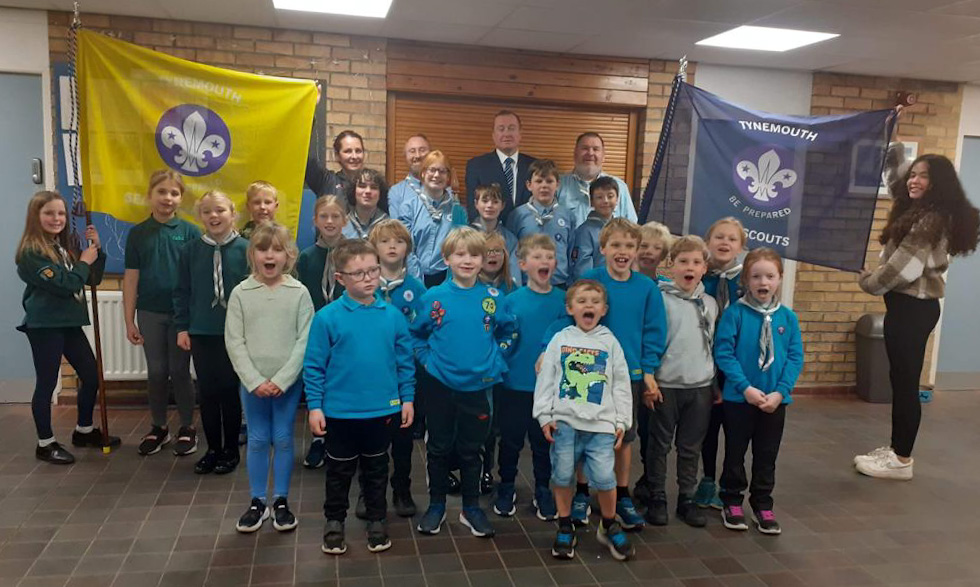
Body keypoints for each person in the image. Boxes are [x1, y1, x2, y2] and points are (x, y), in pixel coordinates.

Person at [855, 148, 980, 480]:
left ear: (937, 183)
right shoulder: (921, 209)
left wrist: (868, 281)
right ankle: (898, 449)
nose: (914, 180)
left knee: (906, 384)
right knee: (901, 380)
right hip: (909, 309)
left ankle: (901, 460)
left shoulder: (930, 219)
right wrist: (891, 133)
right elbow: (895, 177)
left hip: (912, 309)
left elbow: (901, 270)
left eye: (923, 175)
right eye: (913, 174)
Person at [304, 240, 415, 555]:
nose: (368, 278)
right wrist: (315, 407)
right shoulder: (327, 318)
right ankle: (334, 522)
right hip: (340, 412)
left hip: (382, 409)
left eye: (373, 270)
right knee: (338, 472)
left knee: (377, 470)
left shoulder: (392, 316)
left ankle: (377, 521)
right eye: (358, 274)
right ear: (340, 278)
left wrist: (407, 399)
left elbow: (405, 362)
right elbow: (313, 366)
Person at [412, 228, 518, 539]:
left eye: (474, 254)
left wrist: (495, 361)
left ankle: (471, 508)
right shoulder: (432, 298)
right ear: (446, 259)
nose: (467, 260)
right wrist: (428, 361)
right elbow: (415, 334)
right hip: (440, 385)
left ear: (484, 259)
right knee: (439, 448)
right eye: (459, 254)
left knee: (473, 451)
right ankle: (436, 505)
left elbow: (509, 332)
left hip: (479, 386)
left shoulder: (493, 298)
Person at [574, 218, 667, 530]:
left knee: (624, 437)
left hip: (630, 375)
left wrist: (649, 371)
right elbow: (571, 321)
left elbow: (654, 333)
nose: (622, 251)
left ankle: (622, 494)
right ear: (603, 248)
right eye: (615, 245)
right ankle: (582, 492)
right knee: (586, 432)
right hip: (592, 371)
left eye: (629, 246)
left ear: (638, 250)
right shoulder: (591, 280)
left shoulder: (647, 288)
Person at [534, 280, 634, 561]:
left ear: (604, 309)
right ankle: (565, 525)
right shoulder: (561, 339)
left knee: (604, 478)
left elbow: (621, 384)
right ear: (570, 308)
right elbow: (547, 379)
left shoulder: (610, 342)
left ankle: (609, 523)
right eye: (582, 301)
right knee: (562, 475)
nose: (588, 305)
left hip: (601, 427)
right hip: (564, 425)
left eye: (594, 301)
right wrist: (544, 415)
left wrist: (622, 421)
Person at [16, 191, 118, 464]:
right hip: (46, 325)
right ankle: (45, 443)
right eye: (49, 213)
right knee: (48, 382)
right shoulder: (31, 253)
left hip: (69, 322)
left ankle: (84, 430)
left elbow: (91, 279)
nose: (57, 218)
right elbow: (67, 284)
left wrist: (97, 250)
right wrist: (84, 261)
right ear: (36, 217)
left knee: (91, 375)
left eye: (60, 213)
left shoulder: (62, 248)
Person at [225, 223, 314, 533]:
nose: (270, 255)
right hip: (253, 385)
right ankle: (257, 501)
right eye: (263, 249)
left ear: (288, 255)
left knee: (284, 438)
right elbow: (234, 341)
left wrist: (283, 378)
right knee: (259, 439)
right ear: (252, 255)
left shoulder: (298, 293)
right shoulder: (241, 293)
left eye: (277, 249)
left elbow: (305, 339)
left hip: (287, 384)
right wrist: (254, 380)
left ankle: (281, 501)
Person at [714, 248, 803, 535]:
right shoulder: (735, 314)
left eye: (769, 276)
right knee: (735, 452)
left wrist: (781, 392)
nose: (763, 282)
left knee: (767, 454)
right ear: (746, 279)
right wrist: (745, 388)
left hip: (774, 402)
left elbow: (794, 357)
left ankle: (763, 503)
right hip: (740, 399)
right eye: (756, 276)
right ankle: (732, 499)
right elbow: (724, 353)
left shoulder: (788, 318)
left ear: (779, 278)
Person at [123, 170, 201, 457]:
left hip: (182, 315)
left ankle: (187, 427)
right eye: (162, 192)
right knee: (156, 371)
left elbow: (198, 276)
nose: (167, 198)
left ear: (180, 198)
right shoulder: (138, 233)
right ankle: (158, 427)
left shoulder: (191, 232)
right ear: (150, 195)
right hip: (150, 313)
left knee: (180, 371)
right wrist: (128, 319)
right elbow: (131, 278)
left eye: (174, 193)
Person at [644, 236, 718, 528]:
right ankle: (657, 495)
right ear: (670, 266)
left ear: (704, 268)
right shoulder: (660, 300)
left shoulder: (709, 303)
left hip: (699, 386)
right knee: (659, 445)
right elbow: (651, 340)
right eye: (683, 261)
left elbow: (709, 345)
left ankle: (686, 496)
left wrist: (712, 382)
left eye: (696, 262)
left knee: (690, 447)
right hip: (665, 385)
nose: (690, 267)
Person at [174, 191, 249, 475]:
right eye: (207, 212)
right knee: (207, 392)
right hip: (201, 331)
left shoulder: (246, 249)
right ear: (200, 216)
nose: (214, 216)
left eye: (220, 210)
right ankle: (212, 449)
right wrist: (182, 327)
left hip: (234, 332)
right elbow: (181, 292)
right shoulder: (190, 251)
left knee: (229, 390)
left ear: (233, 213)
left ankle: (230, 449)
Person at [493, 234, 566, 521]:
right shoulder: (511, 301)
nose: (544, 261)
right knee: (510, 440)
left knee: (543, 442)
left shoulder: (565, 301)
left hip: (550, 388)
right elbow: (499, 338)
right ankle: (507, 485)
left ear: (556, 263)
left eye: (549, 257)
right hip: (514, 384)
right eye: (537, 257)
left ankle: (543, 489)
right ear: (523, 265)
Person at [368, 219, 426, 517]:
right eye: (385, 241)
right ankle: (370, 493)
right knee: (372, 439)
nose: (392, 246)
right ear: (374, 248)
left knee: (403, 439)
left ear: (408, 249)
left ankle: (402, 490)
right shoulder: (366, 285)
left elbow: (423, 329)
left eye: (399, 241)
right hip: (372, 374)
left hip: (404, 375)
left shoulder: (417, 288)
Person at [694, 217, 745, 509]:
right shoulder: (701, 279)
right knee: (708, 426)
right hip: (706, 363)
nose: (725, 243)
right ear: (708, 242)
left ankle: (731, 484)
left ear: (740, 246)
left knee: (735, 426)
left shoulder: (747, 280)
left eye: (732, 239)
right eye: (719, 237)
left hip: (738, 365)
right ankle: (708, 479)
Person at [296, 194, 348, 469]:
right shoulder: (305, 258)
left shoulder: (352, 254)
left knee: (341, 381)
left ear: (345, 220)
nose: (330, 221)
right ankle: (318, 439)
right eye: (324, 217)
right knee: (317, 383)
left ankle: (340, 436)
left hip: (345, 332)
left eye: (335, 216)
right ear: (315, 220)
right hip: (315, 331)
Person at [398, 150, 468, 287]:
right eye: (432, 170)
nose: (436, 175)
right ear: (423, 173)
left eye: (442, 171)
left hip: (448, 280)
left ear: (448, 176)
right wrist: (417, 283)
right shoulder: (409, 207)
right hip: (414, 278)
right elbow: (405, 247)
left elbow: (462, 249)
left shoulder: (458, 210)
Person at [506, 160, 575, 288]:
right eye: (538, 181)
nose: (544, 186)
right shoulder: (517, 215)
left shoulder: (567, 216)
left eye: (549, 181)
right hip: (527, 283)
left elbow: (571, 252)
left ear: (558, 184)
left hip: (560, 284)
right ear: (529, 185)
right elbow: (512, 252)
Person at [466, 110, 537, 223]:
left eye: (511, 128)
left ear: (520, 134)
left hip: (528, 234)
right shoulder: (476, 166)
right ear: (494, 135)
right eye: (501, 129)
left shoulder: (534, 165)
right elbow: (473, 209)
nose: (506, 134)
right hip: (491, 235)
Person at [557, 132, 637, 227]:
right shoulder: (557, 185)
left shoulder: (620, 187)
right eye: (585, 148)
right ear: (575, 154)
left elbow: (632, 229)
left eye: (595, 149)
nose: (590, 153)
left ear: (603, 156)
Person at [471, 184, 521, 285]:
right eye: (485, 201)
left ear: (502, 205)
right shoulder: (467, 236)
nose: (489, 205)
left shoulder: (510, 239)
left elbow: (514, 275)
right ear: (476, 204)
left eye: (495, 202)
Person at [571, 176, 619, 281]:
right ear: (591, 202)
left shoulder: (621, 229)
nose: (605, 201)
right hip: (596, 289)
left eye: (610, 196)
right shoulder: (585, 231)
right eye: (599, 197)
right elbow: (582, 270)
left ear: (617, 200)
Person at [306, 129, 366, 199]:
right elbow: (301, 155)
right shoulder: (326, 182)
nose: (354, 156)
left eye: (358, 151)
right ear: (337, 155)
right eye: (348, 151)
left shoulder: (374, 186)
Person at [388, 134, 431, 218]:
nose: (418, 155)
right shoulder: (396, 192)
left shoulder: (445, 192)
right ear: (405, 156)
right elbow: (396, 228)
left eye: (422, 150)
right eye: (412, 151)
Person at [342, 168, 389, 240]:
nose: (368, 191)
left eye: (374, 187)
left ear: (380, 193)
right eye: (362, 186)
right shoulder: (342, 225)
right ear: (353, 191)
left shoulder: (389, 225)